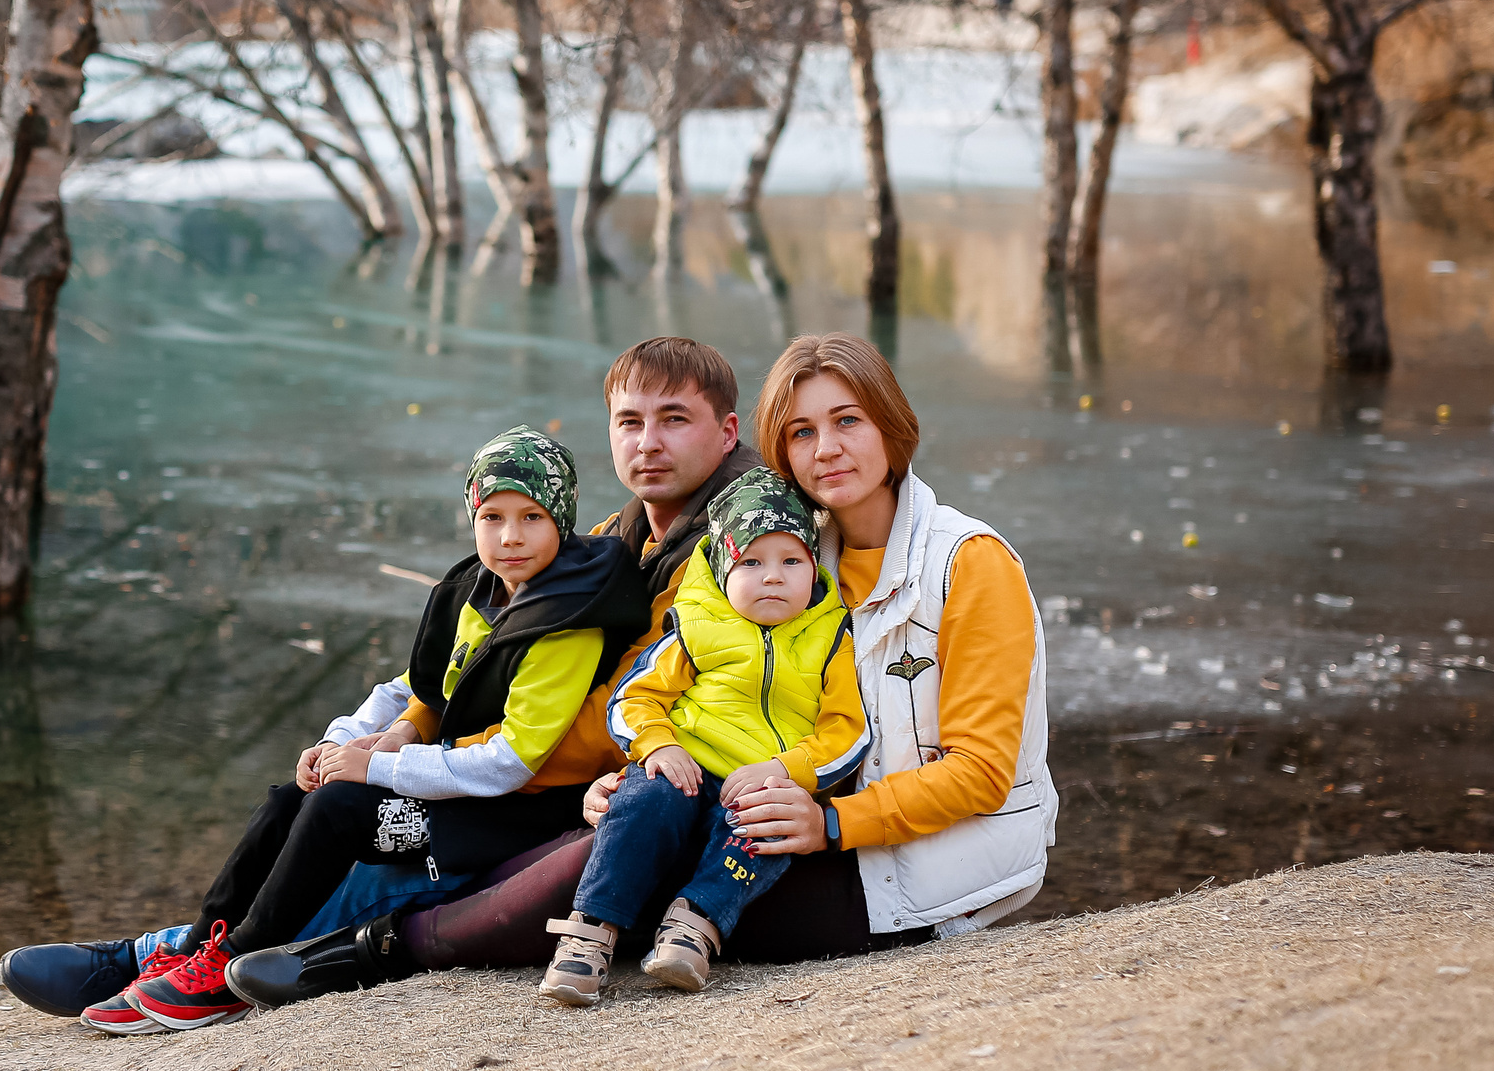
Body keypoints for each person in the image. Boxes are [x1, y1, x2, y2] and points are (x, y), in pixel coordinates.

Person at [236, 330, 1055, 1000]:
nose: (826, 449)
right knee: (617, 827)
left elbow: (983, 771)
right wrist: (638, 759)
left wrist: (832, 820)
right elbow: (701, 684)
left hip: (914, 856)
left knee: (611, 867)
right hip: (775, 812)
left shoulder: (966, 562)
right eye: (803, 431)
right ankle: (303, 941)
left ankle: (378, 951)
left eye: (848, 421)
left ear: (891, 424)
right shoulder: (785, 562)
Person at [0, 337, 762, 1021]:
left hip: (555, 793)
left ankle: (184, 963)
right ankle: (173, 950)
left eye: (673, 420)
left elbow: (601, 713)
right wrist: (382, 732)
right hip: (496, 768)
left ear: (726, 432)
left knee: (361, 833)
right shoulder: (602, 539)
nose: (648, 442)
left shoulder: (733, 558)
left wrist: (407, 761)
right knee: (308, 800)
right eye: (630, 422)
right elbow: (461, 670)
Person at [70, 424, 652, 1034]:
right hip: (471, 781)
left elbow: (512, 761)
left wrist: (372, 767)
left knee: (342, 809)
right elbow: (413, 687)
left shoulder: (567, 624)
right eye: (493, 517)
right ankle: (197, 945)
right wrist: (340, 741)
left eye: (532, 517)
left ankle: (233, 966)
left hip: (519, 810)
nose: (510, 537)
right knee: (290, 798)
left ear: (562, 520)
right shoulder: (486, 593)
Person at [535, 466, 864, 1006]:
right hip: (685, 764)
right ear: (720, 566)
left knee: (767, 828)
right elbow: (633, 700)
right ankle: (590, 930)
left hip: (760, 780)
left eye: (790, 561)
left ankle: (694, 926)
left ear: (813, 567)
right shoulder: (693, 628)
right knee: (645, 798)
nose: (773, 577)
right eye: (751, 562)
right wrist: (658, 746)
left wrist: (787, 772)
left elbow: (847, 732)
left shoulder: (831, 639)